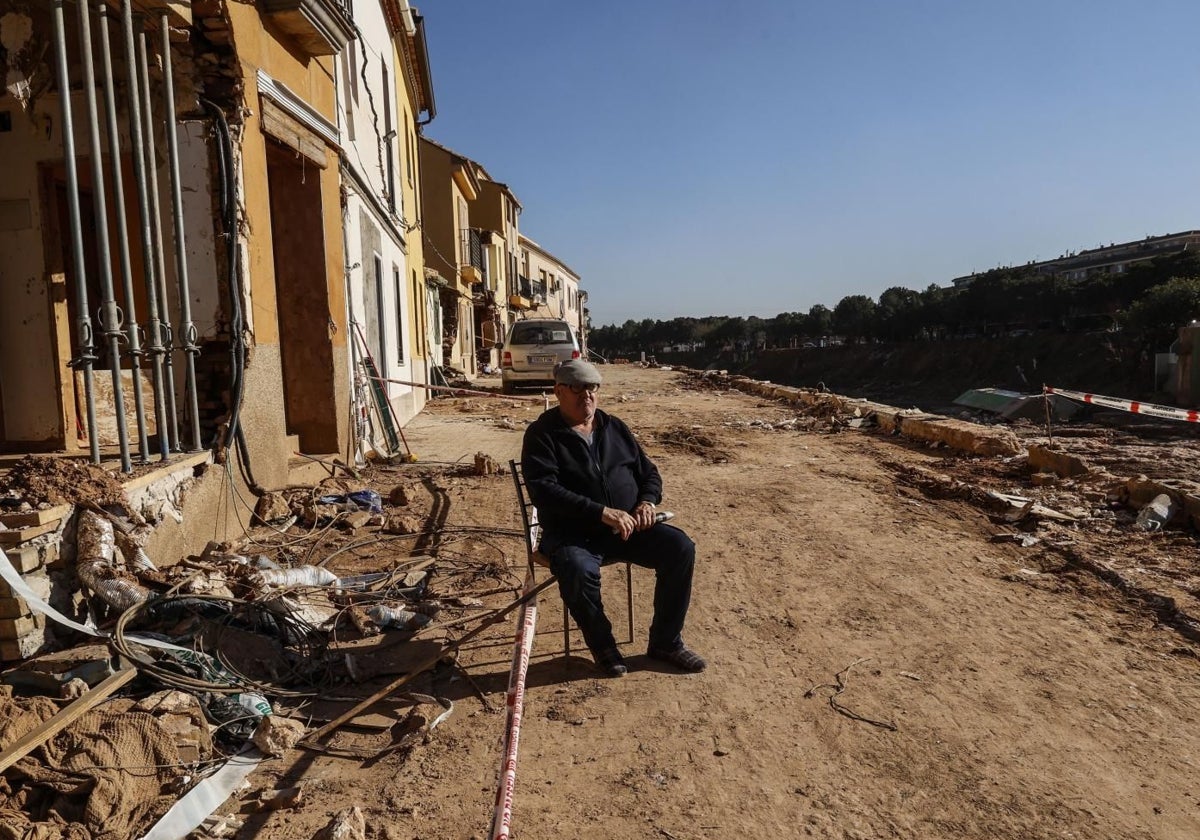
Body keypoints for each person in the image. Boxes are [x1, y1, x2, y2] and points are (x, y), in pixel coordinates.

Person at [521, 358, 706, 677]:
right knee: (576, 569)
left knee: (680, 548)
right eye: (578, 388)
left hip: (627, 529)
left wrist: (647, 502)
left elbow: (650, 474)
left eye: (592, 388)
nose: (587, 395)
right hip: (573, 534)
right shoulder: (542, 435)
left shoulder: (614, 427)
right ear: (559, 391)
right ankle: (604, 646)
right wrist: (601, 512)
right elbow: (544, 490)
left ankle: (666, 642)